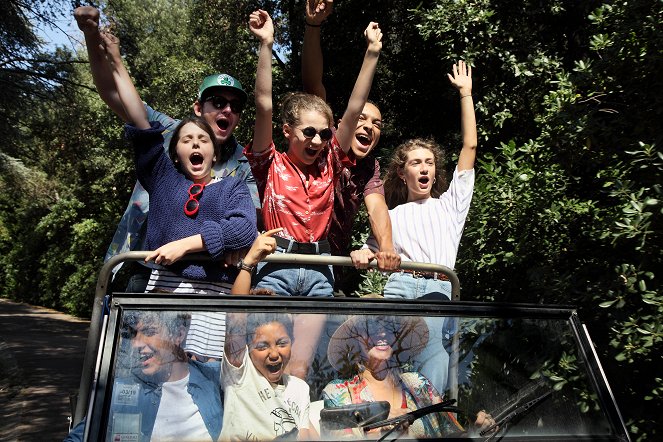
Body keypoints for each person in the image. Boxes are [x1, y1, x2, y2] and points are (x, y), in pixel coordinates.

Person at [74, 6, 260, 291]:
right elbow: (113, 94)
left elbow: (246, 224)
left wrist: (227, 243)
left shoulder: (240, 164)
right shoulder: (166, 130)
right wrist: (92, 38)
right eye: (218, 102)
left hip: (208, 278)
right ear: (198, 107)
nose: (227, 109)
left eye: (235, 106)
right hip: (145, 260)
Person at [99, 31, 257, 363]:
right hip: (163, 292)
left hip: (214, 299)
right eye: (186, 139)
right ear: (174, 151)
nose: (196, 144)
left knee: (207, 380)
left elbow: (243, 230)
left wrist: (186, 245)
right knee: (152, 370)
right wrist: (114, 56)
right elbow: (140, 121)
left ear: (215, 153)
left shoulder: (233, 185)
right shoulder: (164, 180)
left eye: (203, 139)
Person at [351, 60, 477, 396]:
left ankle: (430, 423)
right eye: (415, 162)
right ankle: (393, 415)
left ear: (436, 173)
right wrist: (362, 254)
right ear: (402, 173)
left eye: (430, 162)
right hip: (401, 286)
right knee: (391, 359)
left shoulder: (450, 206)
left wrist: (466, 94)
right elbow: (371, 250)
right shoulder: (390, 215)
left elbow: (470, 148)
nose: (424, 168)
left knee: (433, 360)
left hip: (438, 288)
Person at [246, 9, 382, 297]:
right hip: (276, 264)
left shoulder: (330, 162)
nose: (318, 140)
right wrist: (266, 44)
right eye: (309, 132)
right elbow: (264, 106)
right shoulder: (269, 163)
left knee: (312, 344)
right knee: (272, 342)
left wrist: (371, 53)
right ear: (286, 131)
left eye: (323, 133)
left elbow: (354, 108)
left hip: (321, 266)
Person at [302, 0, 400, 292]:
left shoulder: (370, 167)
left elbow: (377, 208)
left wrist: (387, 249)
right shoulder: (326, 142)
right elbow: (312, 86)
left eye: (378, 124)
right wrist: (312, 26)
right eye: (362, 119)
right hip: (297, 251)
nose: (369, 126)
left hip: (331, 268)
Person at [65, 311, 224, 442]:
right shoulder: (123, 391)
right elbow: (80, 437)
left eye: (149, 332)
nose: (136, 344)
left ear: (179, 334)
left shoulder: (216, 378)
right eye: (133, 334)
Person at [322, 315, 464, 439]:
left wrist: (477, 428)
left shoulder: (418, 384)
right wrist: (377, 435)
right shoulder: (339, 392)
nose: (382, 333)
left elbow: (455, 434)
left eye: (389, 327)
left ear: (396, 337)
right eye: (371, 327)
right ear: (356, 339)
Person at [221, 312, 313, 440]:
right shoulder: (240, 375)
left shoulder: (300, 388)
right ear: (248, 348)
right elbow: (236, 318)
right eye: (262, 346)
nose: (274, 354)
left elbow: (304, 436)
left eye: (282, 344)